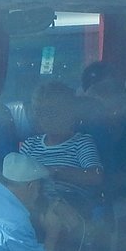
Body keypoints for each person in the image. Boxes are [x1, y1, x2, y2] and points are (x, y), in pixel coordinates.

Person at [18, 81, 103, 209]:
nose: (44, 118)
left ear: (69, 113)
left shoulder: (81, 142)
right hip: (32, 204)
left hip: (68, 204)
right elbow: (15, 178)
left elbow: (95, 176)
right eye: (39, 112)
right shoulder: (30, 144)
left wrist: (55, 172)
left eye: (51, 112)